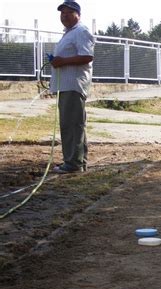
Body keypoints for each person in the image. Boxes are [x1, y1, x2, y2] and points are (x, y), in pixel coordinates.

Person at [50, 0, 95, 173]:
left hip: (73, 85)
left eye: (69, 13)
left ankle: (73, 164)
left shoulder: (81, 32)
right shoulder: (69, 33)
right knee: (72, 124)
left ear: (78, 14)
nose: (65, 16)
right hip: (66, 85)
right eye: (63, 13)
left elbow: (87, 56)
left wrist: (62, 61)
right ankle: (77, 161)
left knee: (71, 125)